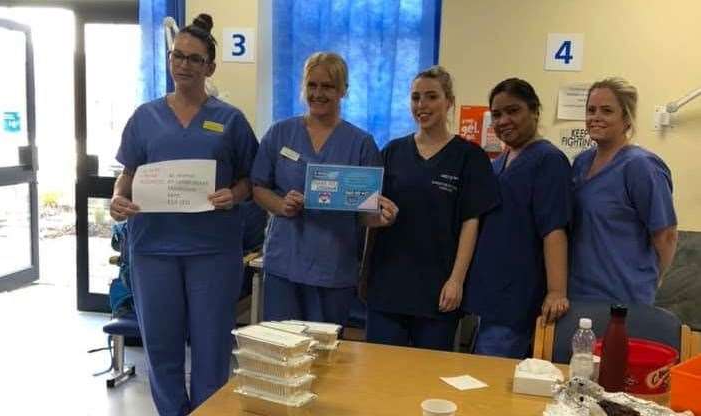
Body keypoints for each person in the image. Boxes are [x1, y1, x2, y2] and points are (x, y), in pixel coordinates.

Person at [109, 14, 258, 416]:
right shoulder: (145, 117)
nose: (185, 65)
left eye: (195, 59)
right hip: (153, 249)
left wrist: (234, 193)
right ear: (169, 60)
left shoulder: (231, 121)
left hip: (212, 250)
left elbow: (250, 180)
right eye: (178, 56)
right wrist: (117, 200)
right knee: (161, 346)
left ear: (210, 67)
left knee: (211, 346)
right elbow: (127, 174)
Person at [251, 52, 397, 327]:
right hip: (285, 262)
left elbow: (365, 213)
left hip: (333, 267)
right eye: (312, 85)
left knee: (324, 352)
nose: (318, 93)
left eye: (328, 86)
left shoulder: (361, 144)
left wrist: (380, 218)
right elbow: (258, 187)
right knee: (281, 349)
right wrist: (281, 205)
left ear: (343, 90)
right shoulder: (280, 133)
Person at [363, 66, 498, 351]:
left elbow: (470, 222)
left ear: (449, 102)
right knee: (380, 374)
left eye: (431, 97)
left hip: (437, 288)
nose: (422, 105)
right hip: (388, 283)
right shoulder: (392, 152)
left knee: (429, 377)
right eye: (415, 98)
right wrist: (376, 219)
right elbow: (369, 214)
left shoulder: (469, 157)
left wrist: (456, 281)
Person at [463, 78, 572, 358]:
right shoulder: (498, 162)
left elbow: (554, 228)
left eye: (513, 111)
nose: (503, 120)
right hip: (492, 293)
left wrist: (556, 291)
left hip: (518, 295)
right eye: (497, 114)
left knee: (490, 379)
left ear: (534, 111)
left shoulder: (548, 160)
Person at [569, 77, 677, 304]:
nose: (595, 117)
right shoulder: (580, 163)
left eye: (607, 111)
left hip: (623, 298)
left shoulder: (641, 166)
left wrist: (649, 281)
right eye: (591, 110)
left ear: (626, 119)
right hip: (578, 294)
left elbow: (666, 236)